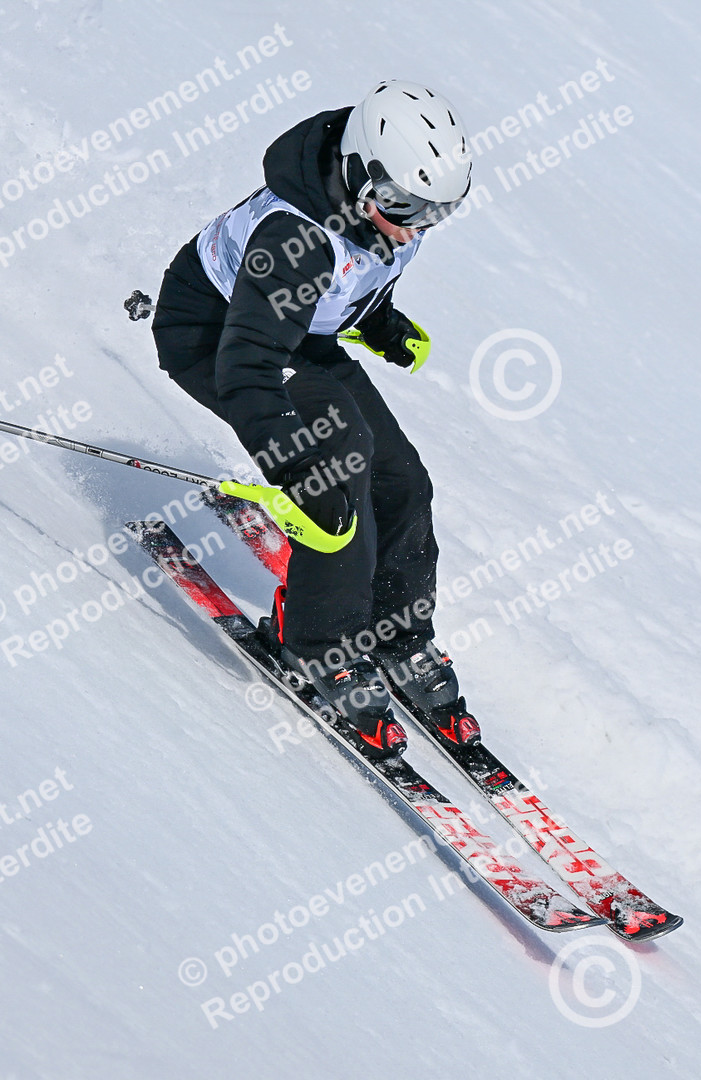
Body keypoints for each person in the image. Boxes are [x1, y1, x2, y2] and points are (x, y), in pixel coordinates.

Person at [150, 80, 481, 760]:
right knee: (335, 474)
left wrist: (380, 325)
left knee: (402, 479)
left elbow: (357, 278)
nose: (415, 225)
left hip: (295, 333)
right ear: (360, 173)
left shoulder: (384, 214)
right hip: (218, 336)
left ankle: (395, 631)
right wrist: (294, 465)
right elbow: (246, 367)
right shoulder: (295, 241)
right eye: (403, 206)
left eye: (437, 211)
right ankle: (320, 645)